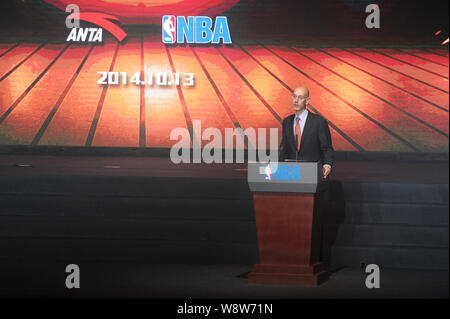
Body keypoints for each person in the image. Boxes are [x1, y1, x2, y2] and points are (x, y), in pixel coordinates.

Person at [279, 86, 334, 179]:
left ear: (307, 101)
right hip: (291, 175)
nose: (296, 100)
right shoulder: (287, 122)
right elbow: (285, 149)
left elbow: (327, 148)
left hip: (312, 174)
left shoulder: (318, 122)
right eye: (294, 96)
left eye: (300, 97)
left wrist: (327, 164)